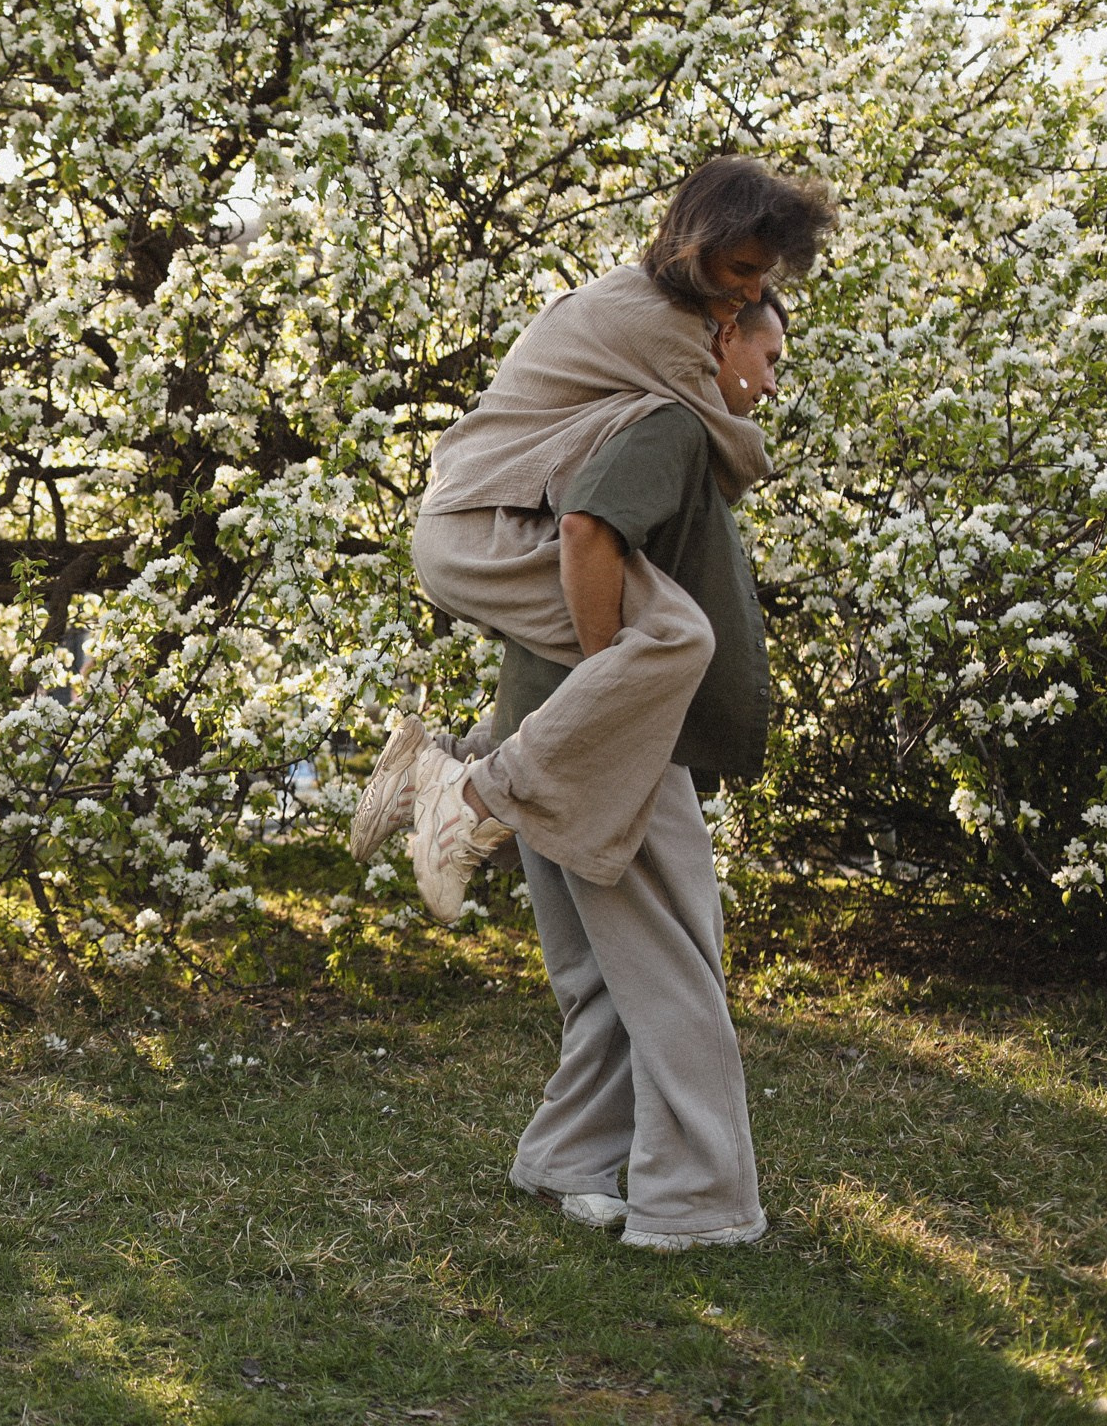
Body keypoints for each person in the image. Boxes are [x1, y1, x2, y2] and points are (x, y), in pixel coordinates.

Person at [348, 155, 834, 1250]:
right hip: (603, 733)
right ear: (719, 315)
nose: (765, 348)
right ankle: (697, 1202)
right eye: (762, 330)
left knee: (607, 971)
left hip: (542, 685)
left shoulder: (641, 391)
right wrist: (614, 683)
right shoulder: (665, 408)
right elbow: (586, 534)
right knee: (675, 964)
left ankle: (569, 1156)